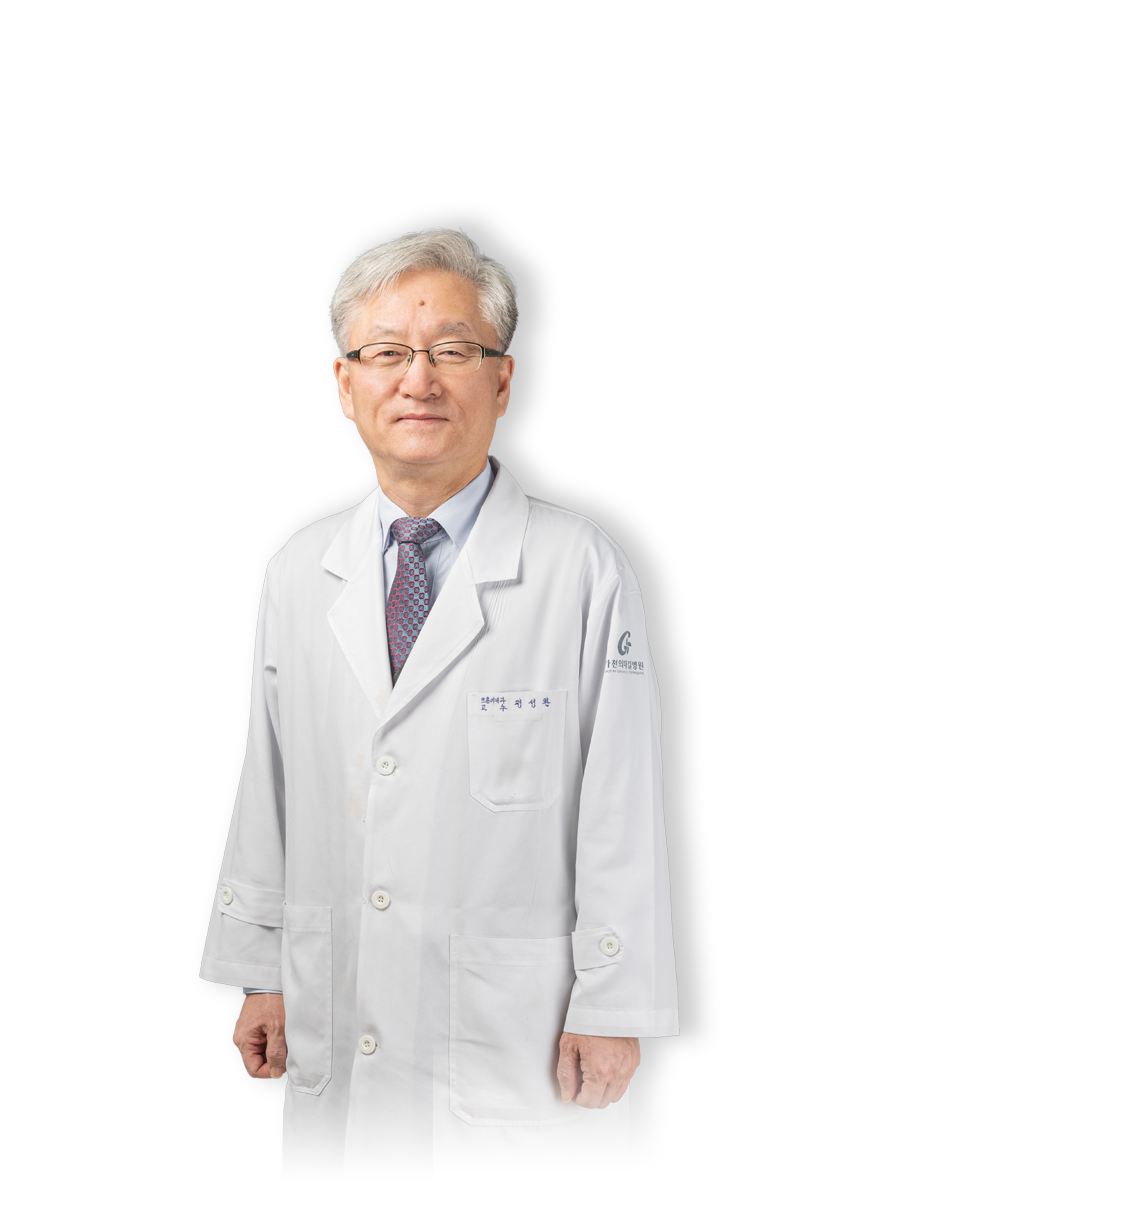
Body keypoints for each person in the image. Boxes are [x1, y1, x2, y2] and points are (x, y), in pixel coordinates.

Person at [200, 227, 678, 1180]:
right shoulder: (300, 567)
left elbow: (622, 803)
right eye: (387, 352)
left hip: (519, 1032)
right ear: (345, 385)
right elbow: (269, 782)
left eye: (452, 350)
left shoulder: (581, 565)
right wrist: (259, 969)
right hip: (336, 1003)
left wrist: (615, 1002)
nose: (417, 380)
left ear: (503, 382)